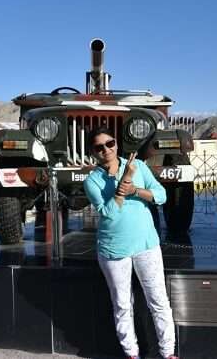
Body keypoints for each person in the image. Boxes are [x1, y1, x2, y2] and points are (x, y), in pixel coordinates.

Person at [83, 126, 178, 359]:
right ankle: (131, 353)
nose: (106, 149)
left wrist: (134, 188)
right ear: (93, 152)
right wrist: (121, 188)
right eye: (99, 147)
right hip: (114, 250)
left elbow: (161, 196)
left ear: (116, 143)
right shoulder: (92, 181)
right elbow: (109, 214)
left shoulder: (139, 167)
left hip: (146, 244)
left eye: (110, 143)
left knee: (158, 301)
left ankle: (168, 353)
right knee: (123, 304)